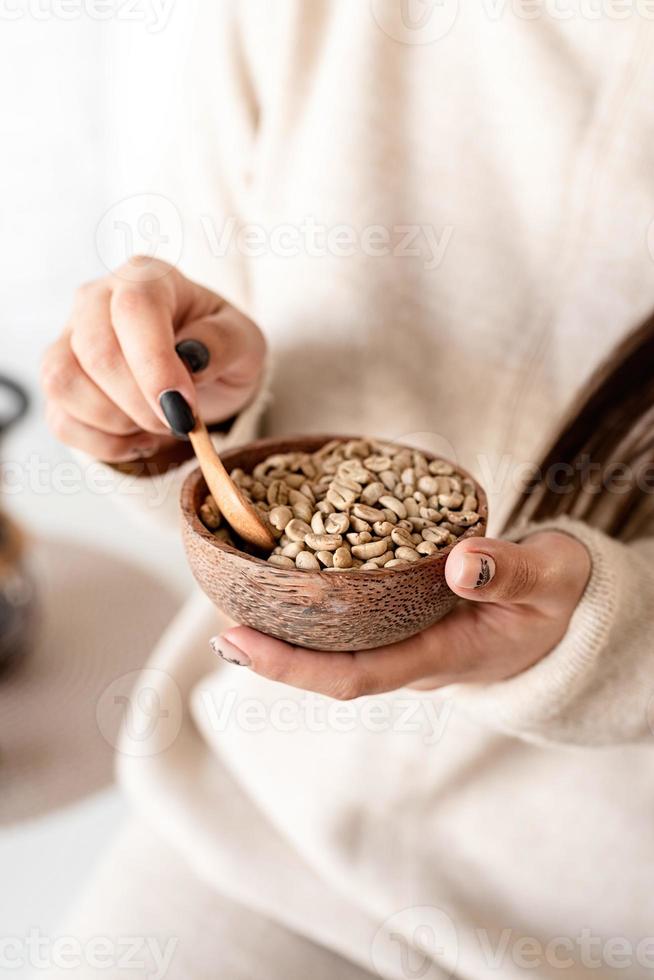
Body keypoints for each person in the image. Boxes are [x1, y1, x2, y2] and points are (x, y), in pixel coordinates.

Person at [40, 5, 654, 978]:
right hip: (248, 824)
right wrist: (160, 413)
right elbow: (221, 444)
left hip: (601, 915)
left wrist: (600, 633)